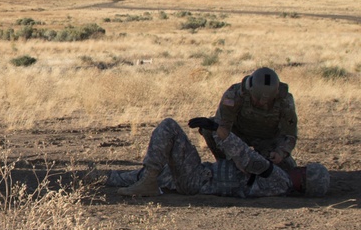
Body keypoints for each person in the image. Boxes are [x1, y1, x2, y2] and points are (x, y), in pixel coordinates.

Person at [110, 117, 329, 199]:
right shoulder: (280, 186)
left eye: (305, 169)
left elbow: (249, 159)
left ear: (304, 178)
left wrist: (218, 130)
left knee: (169, 127)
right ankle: (109, 178)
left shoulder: (280, 181)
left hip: (199, 179)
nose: (300, 167)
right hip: (201, 177)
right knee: (149, 175)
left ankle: (145, 182)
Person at [192, 67, 298, 170]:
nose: (261, 104)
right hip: (237, 136)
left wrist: (280, 152)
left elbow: (289, 135)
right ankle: (226, 166)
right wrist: (236, 154)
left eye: (267, 102)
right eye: (257, 99)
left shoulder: (285, 102)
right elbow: (222, 127)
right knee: (209, 129)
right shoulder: (234, 95)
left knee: (287, 170)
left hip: (267, 140)